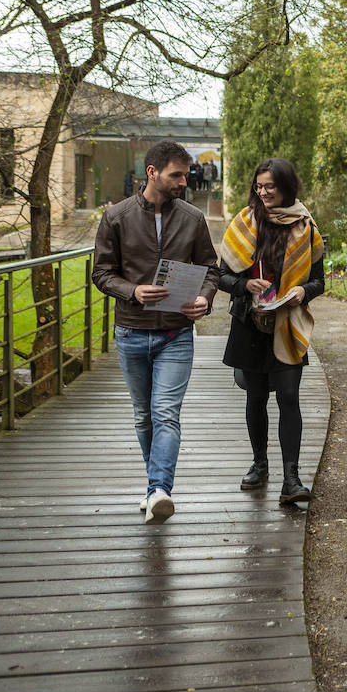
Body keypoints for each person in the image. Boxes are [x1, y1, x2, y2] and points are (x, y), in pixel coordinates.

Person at [92, 140, 218, 524]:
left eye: (184, 174)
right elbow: (101, 273)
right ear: (152, 173)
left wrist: (206, 298)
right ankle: (154, 488)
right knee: (143, 416)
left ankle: (160, 490)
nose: (183, 181)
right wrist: (133, 291)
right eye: (176, 175)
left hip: (176, 333)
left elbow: (211, 268)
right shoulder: (116, 217)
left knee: (165, 413)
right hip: (131, 331)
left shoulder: (193, 219)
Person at [217, 157, 325, 504]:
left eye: (270, 186)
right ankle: (259, 464)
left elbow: (320, 281)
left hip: (288, 324)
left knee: (289, 397)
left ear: (286, 187)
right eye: (258, 186)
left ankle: (291, 479)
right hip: (250, 323)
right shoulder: (243, 222)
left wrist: (302, 292)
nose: (262, 192)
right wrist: (245, 285)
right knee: (256, 397)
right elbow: (220, 276)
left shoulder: (306, 227)